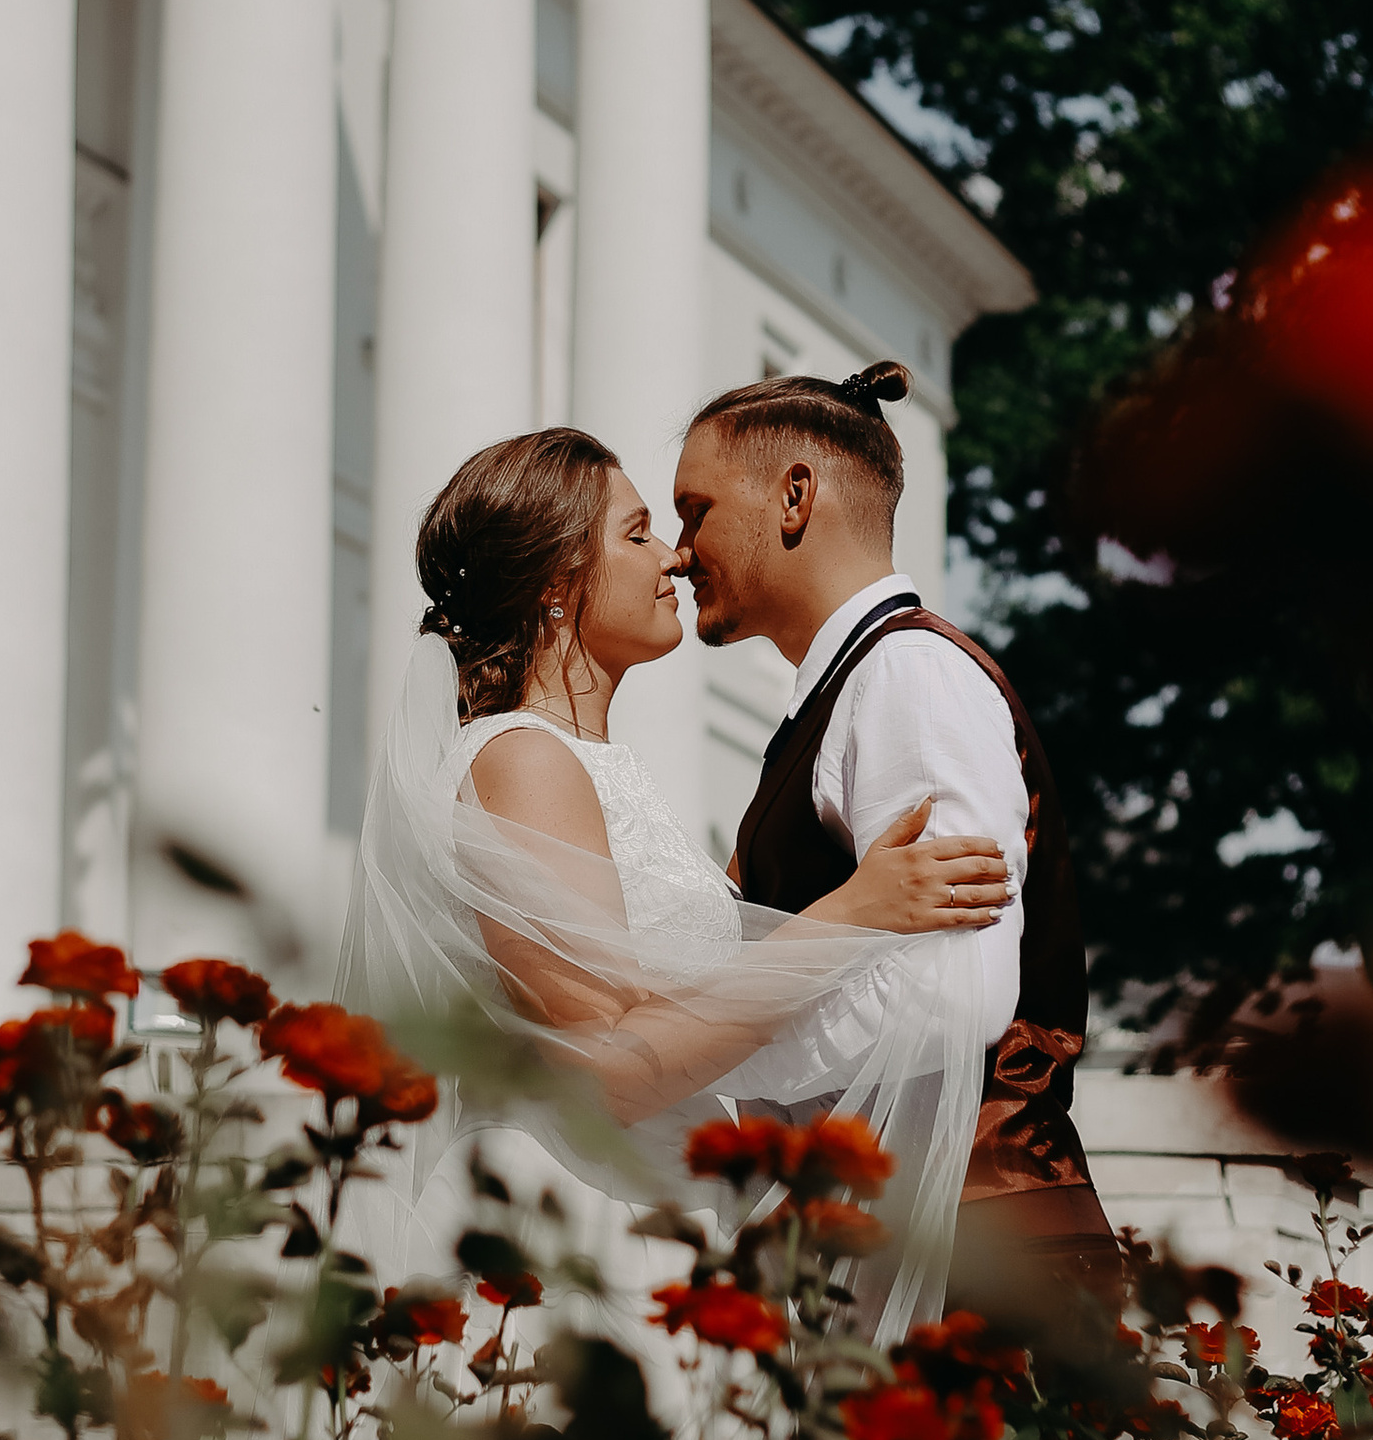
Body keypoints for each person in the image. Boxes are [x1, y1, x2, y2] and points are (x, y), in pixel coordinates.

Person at [337, 423, 1014, 1326]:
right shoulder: (522, 761)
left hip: (665, 1214)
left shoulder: (589, 768)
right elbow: (612, 1068)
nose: (675, 558)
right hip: (582, 1228)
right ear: (555, 587)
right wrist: (854, 911)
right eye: (639, 532)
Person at [672, 359, 1118, 1310]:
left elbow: (952, 997)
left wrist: (717, 1050)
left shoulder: (909, 679)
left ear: (796, 495)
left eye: (695, 510)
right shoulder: (852, 691)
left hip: (976, 1257)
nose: (678, 551)